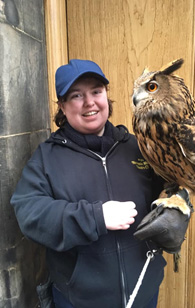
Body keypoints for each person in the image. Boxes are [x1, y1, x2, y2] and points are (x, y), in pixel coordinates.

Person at [10, 59, 167, 308]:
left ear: (106, 95)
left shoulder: (139, 147)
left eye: (96, 91)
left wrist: (179, 209)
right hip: (79, 299)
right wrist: (94, 217)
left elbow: (171, 188)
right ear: (62, 106)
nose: (89, 102)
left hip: (143, 291)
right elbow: (29, 213)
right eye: (76, 95)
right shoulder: (47, 157)